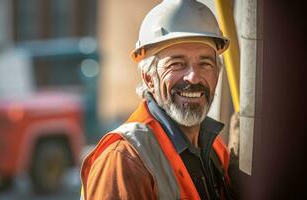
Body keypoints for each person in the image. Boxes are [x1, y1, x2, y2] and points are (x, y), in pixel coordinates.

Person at [81, 0, 239, 199]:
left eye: (205, 64)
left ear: (217, 73)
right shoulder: (125, 159)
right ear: (149, 79)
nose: (193, 77)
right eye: (177, 64)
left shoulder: (216, 148)